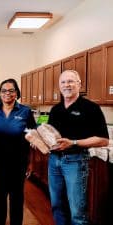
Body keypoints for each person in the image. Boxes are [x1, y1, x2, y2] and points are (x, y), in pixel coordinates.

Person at [47, 70, 109, 225]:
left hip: (76, 161)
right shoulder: (56, 110)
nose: (67, 85)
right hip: (54, 162)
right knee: (57, 205)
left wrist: (74, 142)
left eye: (71, 81)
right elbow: (51, 136)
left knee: (77, 212)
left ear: (79, 84)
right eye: (63, 82)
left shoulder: (91, 108)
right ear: (59, 86)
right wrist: (40, 140)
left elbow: (103, 140)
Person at [0, 78, 36, 225]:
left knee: (17, 196)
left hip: (19, 161)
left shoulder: (25, 112)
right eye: (4, 91)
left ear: (17, 93)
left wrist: (31, 163)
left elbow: (32, 139)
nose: (7, 93)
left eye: (11, 90)